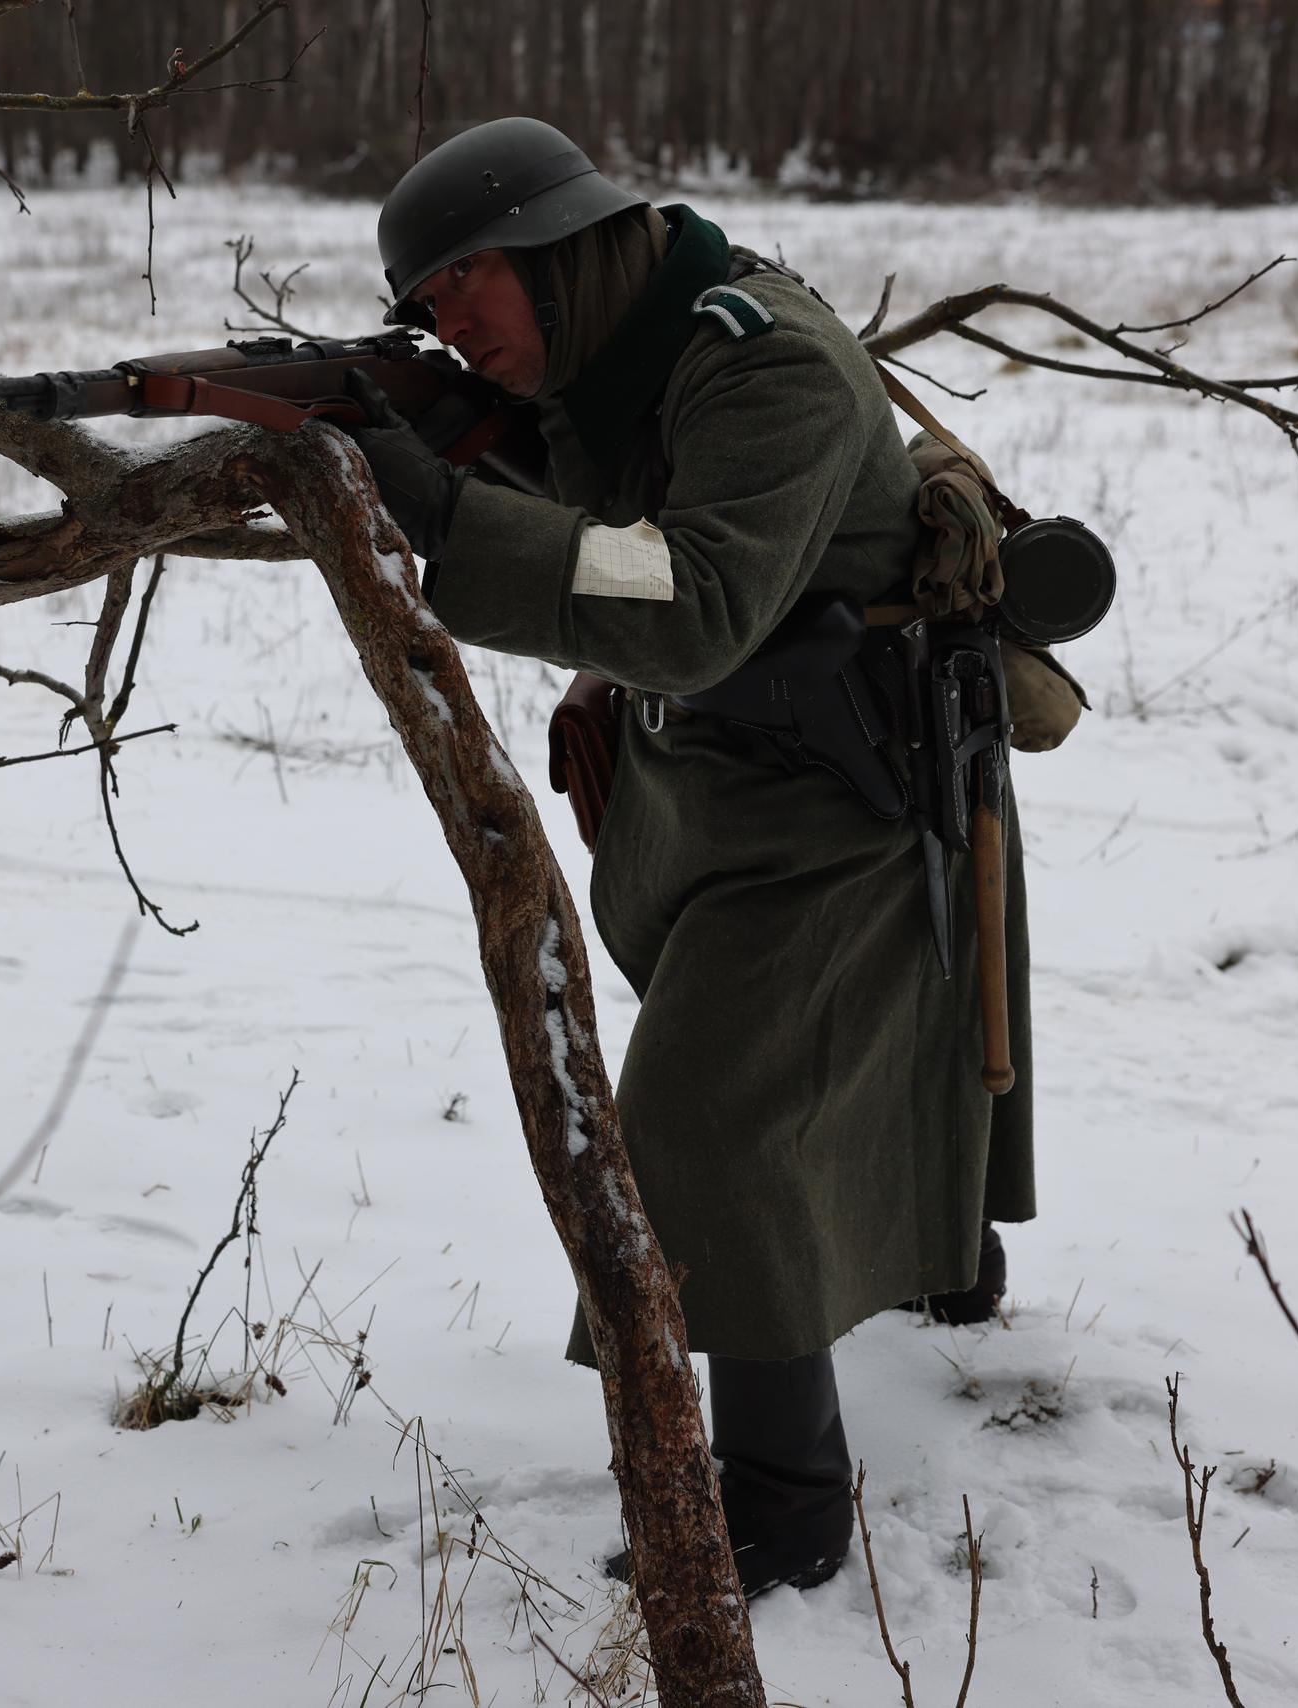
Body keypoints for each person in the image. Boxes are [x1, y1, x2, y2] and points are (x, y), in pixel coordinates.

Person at [338, 117, 1035, 1599]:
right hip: (729, 781)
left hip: (844, 796)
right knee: (806, 1079)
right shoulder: (617, 354)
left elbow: (698, 588)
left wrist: (449, 513)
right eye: (426, 306)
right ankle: (939, 1264)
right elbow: (609, 498)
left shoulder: (757, 354)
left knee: (713, 1127)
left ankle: (780, 1511)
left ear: (561, 245)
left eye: (467, 282)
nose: (449, 327)